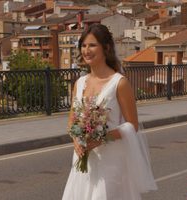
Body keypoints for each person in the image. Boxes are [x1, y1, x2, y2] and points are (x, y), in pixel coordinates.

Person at [62, 24, 157, 200]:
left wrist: (101, 138)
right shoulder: (79, 83)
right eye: (83, 45)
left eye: (92, 45)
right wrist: (76, 140)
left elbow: (132, 125)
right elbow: (72, 122)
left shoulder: (119, 83)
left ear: (106, 48)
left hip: (111, 161)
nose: (86, 50)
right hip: (84, 158)